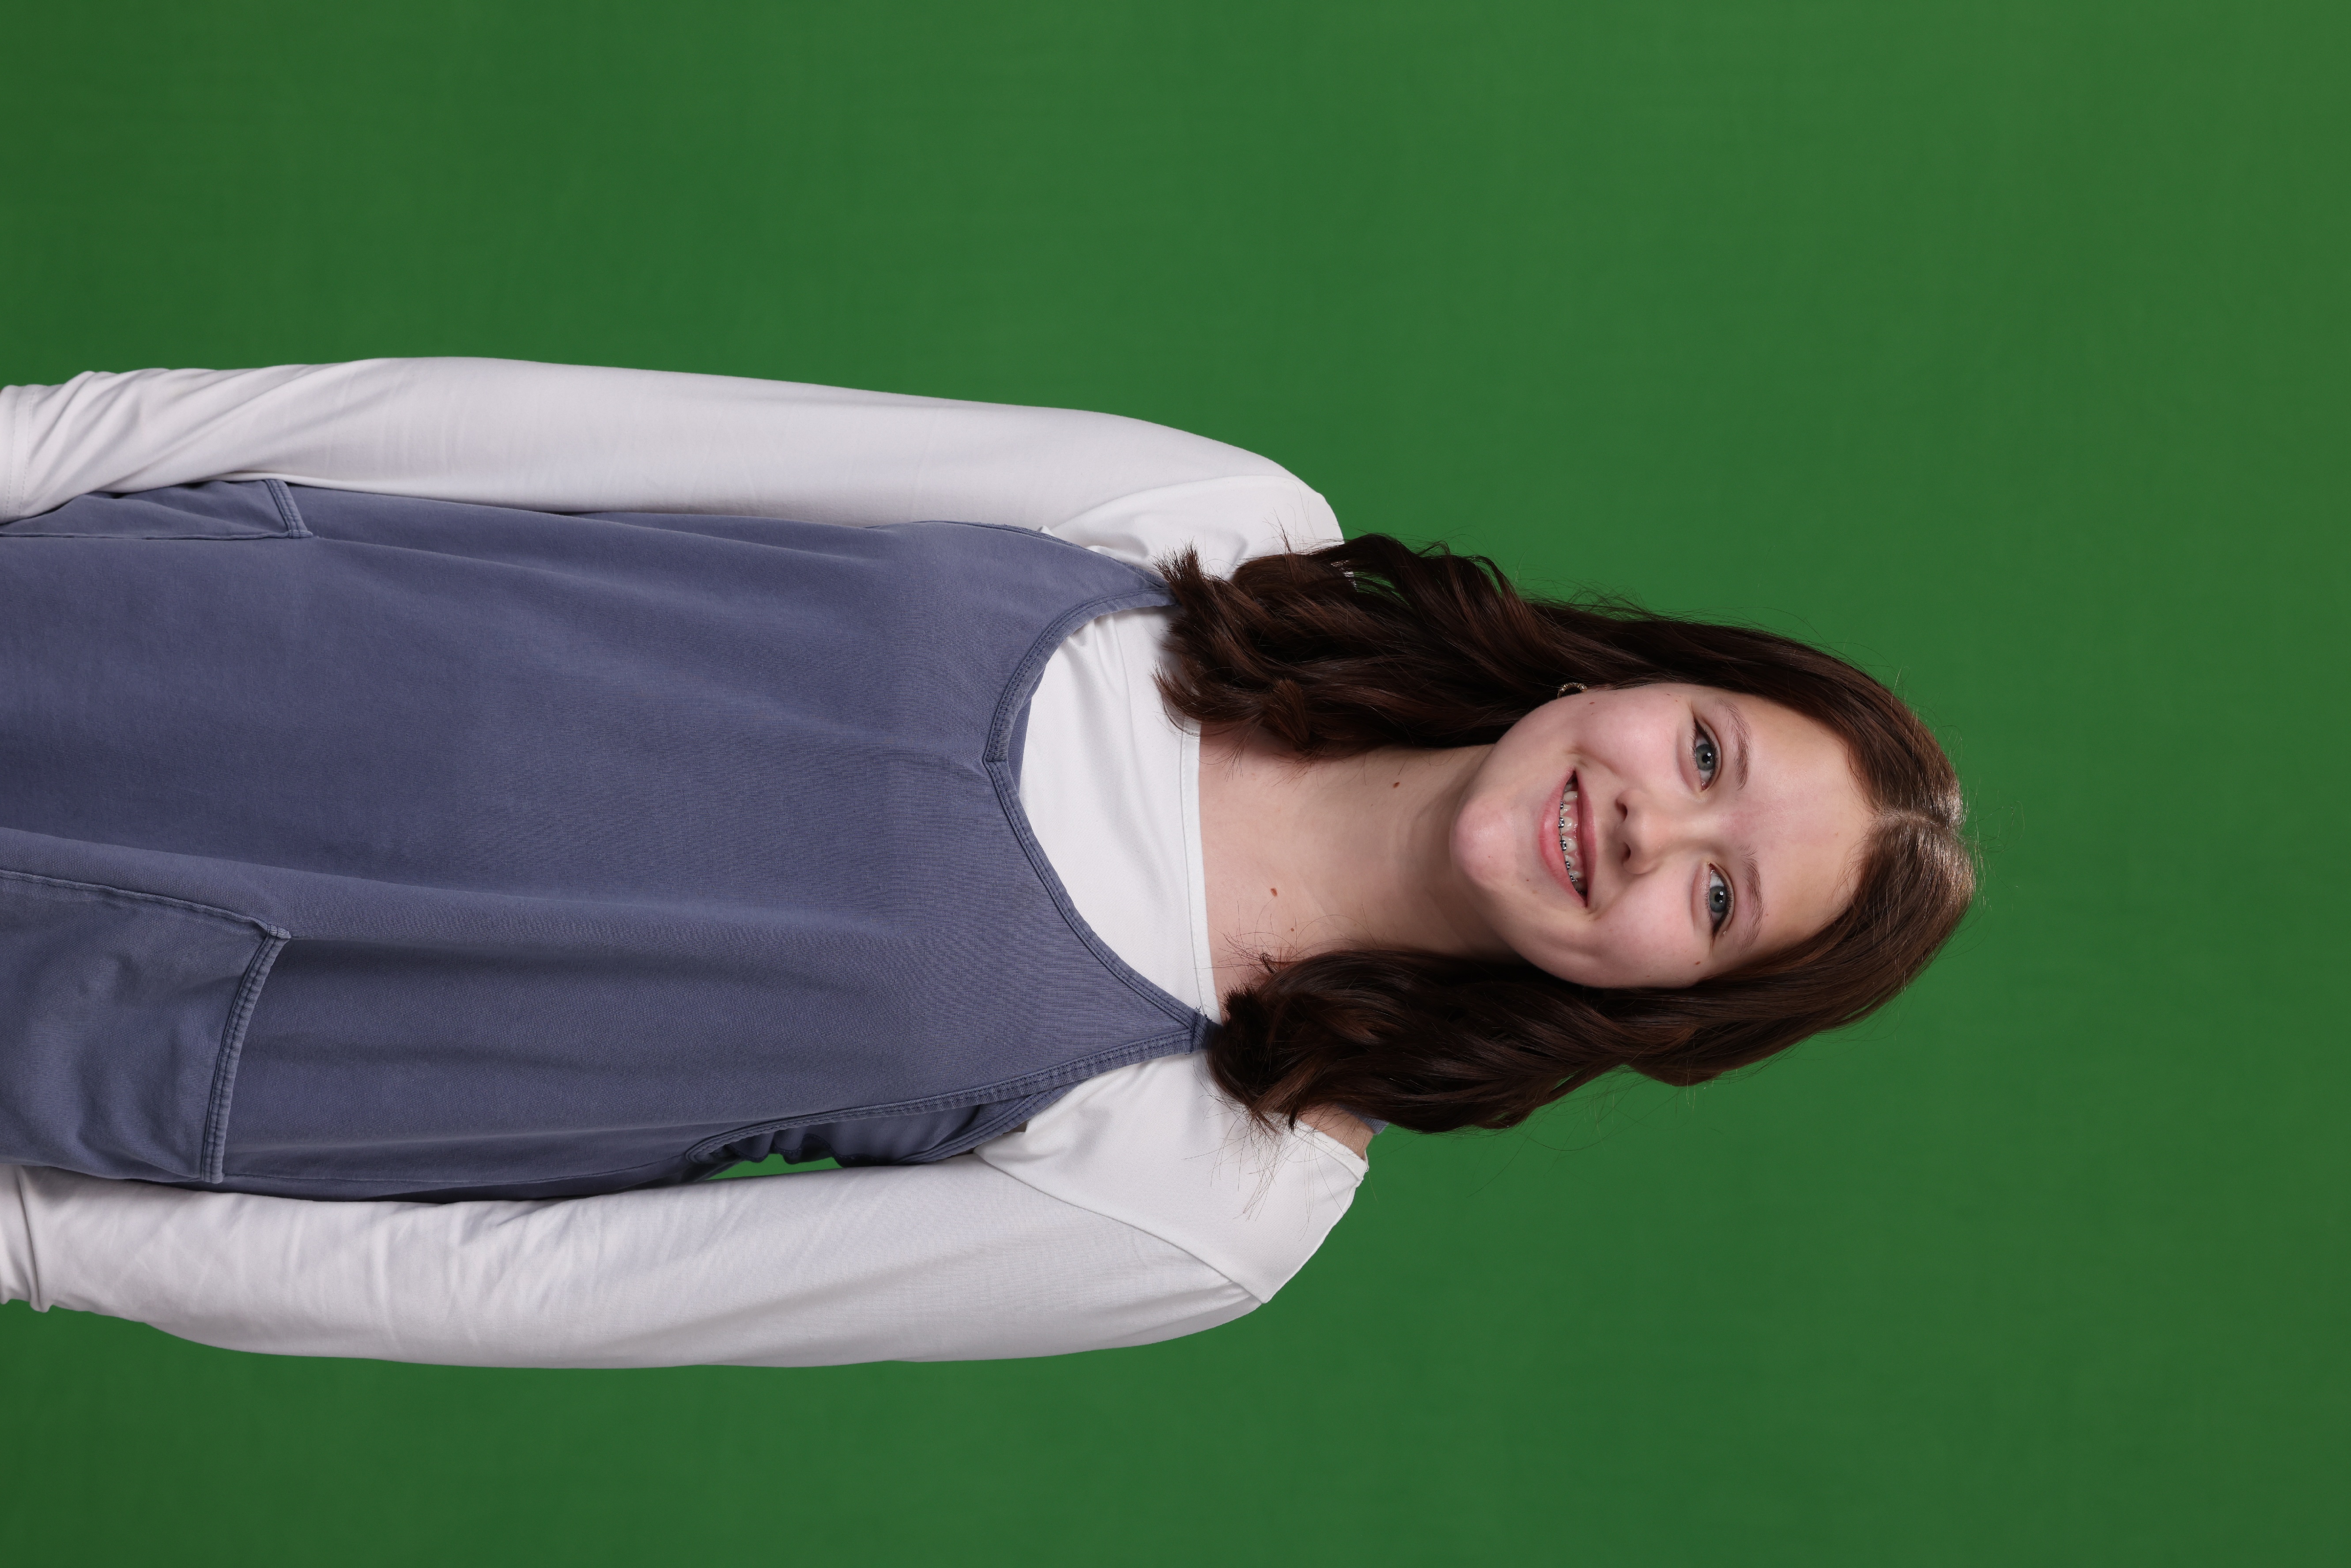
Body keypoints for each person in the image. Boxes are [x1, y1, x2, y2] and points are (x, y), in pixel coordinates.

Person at [0, 358, 1972, 1367]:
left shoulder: (1209, 1200)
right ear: (1638, 676)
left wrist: (28, 1243)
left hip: (156, 1013)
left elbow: (536, 1286)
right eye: (1706, 752)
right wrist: (47, 442)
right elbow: (553, 435)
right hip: (151, 626)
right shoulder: (1215, 523)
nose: (1648, 824)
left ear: (1670, 1008)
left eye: (1718, 895)